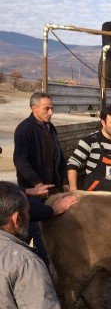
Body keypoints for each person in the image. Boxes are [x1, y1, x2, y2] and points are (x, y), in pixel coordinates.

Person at [14, 92, 68, 266]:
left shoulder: (50, 128)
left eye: (52, 108)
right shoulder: (24, 129)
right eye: (46, 108)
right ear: (33, 108)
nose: (51, 112)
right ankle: (40, 270)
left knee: (40, 230)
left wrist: (64, 181)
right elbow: (20, 159)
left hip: (50, 190)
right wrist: (36, 183)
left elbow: (59, 156)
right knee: (34, 234)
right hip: (32, 192)